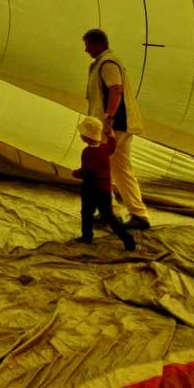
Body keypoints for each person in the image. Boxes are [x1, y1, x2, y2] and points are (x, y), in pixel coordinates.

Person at [83, 28, 151, 230]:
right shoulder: (102, 63)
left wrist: (109, 120)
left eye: (88, 45)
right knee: (122, 170)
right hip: (118, 126)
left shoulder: (108, 64)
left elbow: (115, 91)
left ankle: (110, 213)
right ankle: (139, 215)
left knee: (98, 169)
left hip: (113, 127)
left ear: (97, 44)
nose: (86, 50)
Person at [72, 118, 136, 249]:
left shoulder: (88, 152)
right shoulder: (105, 149)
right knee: (109, 216)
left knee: (87, 213)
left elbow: (87, 171)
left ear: (86, 136)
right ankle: (126, 237)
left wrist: (76, 173)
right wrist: (111, 134)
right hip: (105, 190)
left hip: (91, 189)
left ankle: (87, 236)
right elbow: (113, 145)